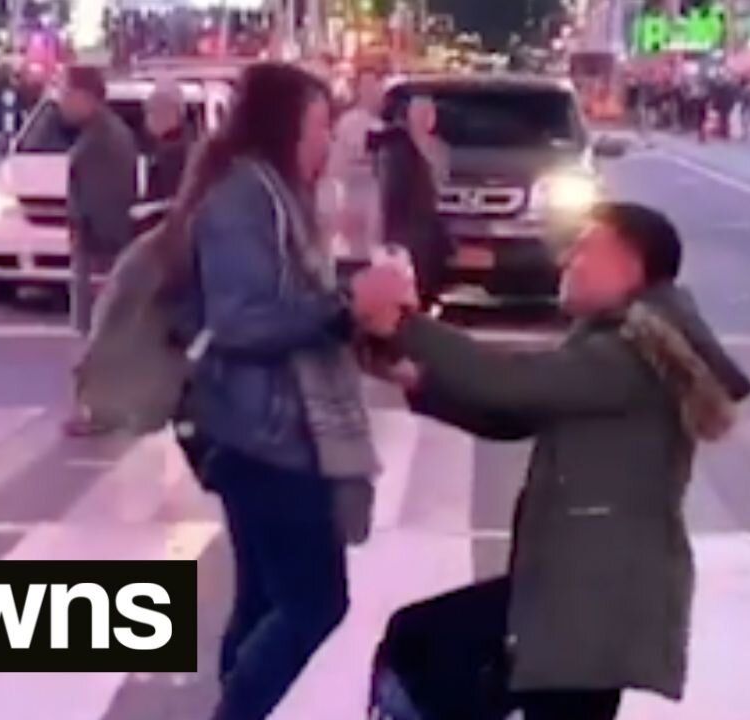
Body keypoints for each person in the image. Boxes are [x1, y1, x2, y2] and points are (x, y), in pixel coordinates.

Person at [352, 203, 750, 720]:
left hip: (592, 600)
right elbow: (513, 414)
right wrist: (420, 380)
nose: (569, 259)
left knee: (426, 647)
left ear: (629, 265)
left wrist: (406, 325)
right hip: (577, 592)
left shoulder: (633, 355)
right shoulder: (616, 343)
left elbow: (513, 384)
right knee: (425, 646)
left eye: (587, 246)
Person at [170, 63, 374, 720]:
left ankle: (236, 705)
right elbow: (240, 320)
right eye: (320, 126)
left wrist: (351, 295)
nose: (328, 141)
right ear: (286, 127)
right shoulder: (243, 197)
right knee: (317, 601)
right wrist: (344, 310)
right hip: (265, 433)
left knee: (262, 601)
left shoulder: (273, 192)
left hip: (262, 426)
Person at [61, 64, 139, 435]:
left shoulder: (104, 141)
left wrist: (102, 261)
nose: (62, 102)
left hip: (99, 250)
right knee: (97, 331)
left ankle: (98, 410)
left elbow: (106, 203)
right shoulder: (99, 134)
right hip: (95, 248)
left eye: (67, 93)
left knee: (97, 333)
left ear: (87, 97)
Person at [375, 94, 451, 302]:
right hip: (402, 218)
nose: (425, 118)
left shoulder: (441, 149)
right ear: (409, 116)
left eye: (429, 113)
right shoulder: (395, 146)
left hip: (431, 219)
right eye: (419, 113)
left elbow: (442, 181)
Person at [327, 68, 385, 260]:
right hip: (354, 194)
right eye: (365, 85)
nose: (371, 90)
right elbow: (337, 166)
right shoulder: (348, 122)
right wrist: (341, 207)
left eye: (374, 85)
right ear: (358, 89)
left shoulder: (383, 123)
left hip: (377, 194)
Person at [142, 82, 191, 202]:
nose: (148, 118)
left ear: (171, 112)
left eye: (152, 109)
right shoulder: (186, 144)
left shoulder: (173, 154)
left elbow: (165, 202)